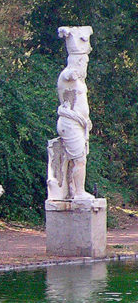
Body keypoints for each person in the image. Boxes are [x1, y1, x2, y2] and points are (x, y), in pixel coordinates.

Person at [49, 26, 94, 200]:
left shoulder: (80, 80)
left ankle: (75, 190)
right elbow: (68, 75)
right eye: (84, 61)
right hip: (70, 123)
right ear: (77, 61)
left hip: (78, 124)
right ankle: (79, 192)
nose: (86, 64)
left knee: (80, 158)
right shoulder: (69, 74)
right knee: (79, 158)